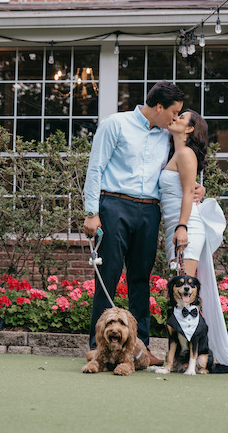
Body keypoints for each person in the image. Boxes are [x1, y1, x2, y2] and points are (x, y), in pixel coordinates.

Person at [83, 81, 202, 366]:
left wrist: (199, 188)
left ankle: (141, 349)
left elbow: (180, 172)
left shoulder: (167, 134)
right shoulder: (116, 124)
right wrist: (91, 212)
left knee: (141, 279)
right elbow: (95, 167)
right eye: (173, 112)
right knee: (108, 277)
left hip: (150, 212)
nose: (175, 119)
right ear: (159, 107)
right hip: (114, 206)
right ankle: (96, 349)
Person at [159, 109, 228, 371]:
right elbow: (189, 190)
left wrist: (182, 227)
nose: (176, 118)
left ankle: (192, 359)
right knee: (182, 292)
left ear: (190, 129)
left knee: (185, 292)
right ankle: (183, 356)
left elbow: (185, 197)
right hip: (176, 226)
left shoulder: (185, 153)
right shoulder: (175, 152)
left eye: (181, 118)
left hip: (187, 227)